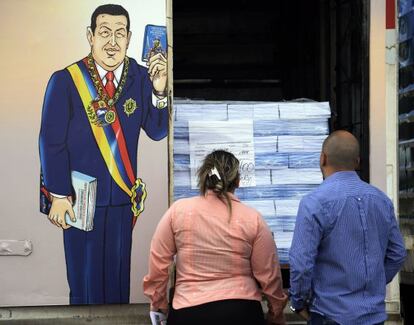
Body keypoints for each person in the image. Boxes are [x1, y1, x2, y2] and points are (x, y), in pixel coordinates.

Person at [39, 4, 168, 304]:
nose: (112, 42)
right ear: (90, 36)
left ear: (130, 37)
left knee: (117, 285)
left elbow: (157, 130)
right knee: (85, 286)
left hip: (123, 201)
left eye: (120, 34)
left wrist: (160, 92)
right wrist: (58, 195)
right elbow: (51, 141)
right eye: (105, 32)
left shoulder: (141, 76)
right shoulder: (66, 80)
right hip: (80, 202)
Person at [143, 150, 288, 325]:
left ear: (203, 178)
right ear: (238, 181)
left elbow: (158, 262)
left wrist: (159, 305)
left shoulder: (178, 211)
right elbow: (269, 275)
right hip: (242, 312)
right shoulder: (253, 219)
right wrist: (276, 313)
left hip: (188, 312)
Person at [289, 130, 407, 325]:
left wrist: (298, 302)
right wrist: (373, 284)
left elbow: (301, 264)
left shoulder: (314, 203)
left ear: (323, 158)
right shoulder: (382, 200)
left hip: (330, 315)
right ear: (357, 161)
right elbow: (398, 253)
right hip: (374, 317)